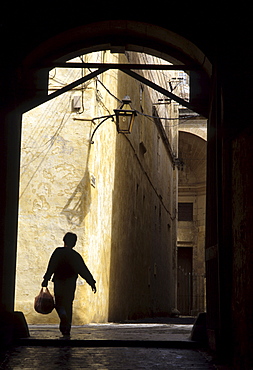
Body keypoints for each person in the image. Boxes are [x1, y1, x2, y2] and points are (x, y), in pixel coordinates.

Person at [41, 232, 96, 336]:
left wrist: (46, 279)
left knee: (59, 303)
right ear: (74, 243)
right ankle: (67, 328)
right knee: (68, 304)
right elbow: (83, 270)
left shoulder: (58, 252)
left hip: (59, 282)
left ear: (64, 241)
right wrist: (91, 282)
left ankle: (62, 315)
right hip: (70, 283)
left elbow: (51, 266)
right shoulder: (75, 255)